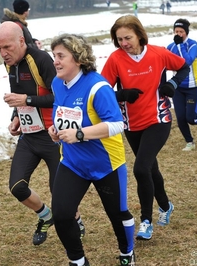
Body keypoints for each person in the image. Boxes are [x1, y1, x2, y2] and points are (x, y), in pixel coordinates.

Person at [0, 21, 85, 246]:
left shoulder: (42, 60)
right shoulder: (10, 64)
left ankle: (77, 220)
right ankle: (46, 216)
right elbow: (19, 94)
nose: (3, 54)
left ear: (21, 41)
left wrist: (26, 101)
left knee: (60, 192)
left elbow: (59, 97)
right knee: (17, 186)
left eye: (7, 47)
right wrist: (15, 116)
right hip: (29, 136)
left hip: (52, 136)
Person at [48, 33, 135, 266]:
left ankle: (127, 254)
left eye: (60, 56)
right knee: (62, 214)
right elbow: (60, 112)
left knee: (117, 215)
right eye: (53, 55)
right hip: (73, 163)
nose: (55, 61)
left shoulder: (98, 86)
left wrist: (80, 134)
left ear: (78, 59)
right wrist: (54, 129)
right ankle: (78, 261)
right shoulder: (57, 83)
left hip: (106, 163)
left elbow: (118, 124)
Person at [101, 15, 190, 241]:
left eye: (127, 38)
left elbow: (184, 68)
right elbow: (100, 92)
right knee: (150, 168)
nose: (124, 43)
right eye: (119, 39)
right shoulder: (115, 59)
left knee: (141, 168)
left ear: (139, 35)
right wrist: (121, 94)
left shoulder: (158, 53)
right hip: (131, 124)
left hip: (159, 119)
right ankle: (166, 205)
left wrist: (172, 83)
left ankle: (146, 222)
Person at [167, 19, 197, 151]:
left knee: (191, 118)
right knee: (180, 117)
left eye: (181, 31)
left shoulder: (193, 45)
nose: (178, 34)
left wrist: (180, 45)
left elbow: (186, 61)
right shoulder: (171, 47)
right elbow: (164, 62)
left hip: (194, 87)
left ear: (186, 32)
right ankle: (190, 142)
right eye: (176, 31)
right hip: (178, 88)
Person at [0, 0, 37, 65]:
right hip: (21, 63)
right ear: (25, 12)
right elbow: (20, 45)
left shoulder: (15, 22)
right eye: (28, 9)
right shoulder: (17, 25)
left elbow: (24, 40)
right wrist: (35, 47)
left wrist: (34, 41)